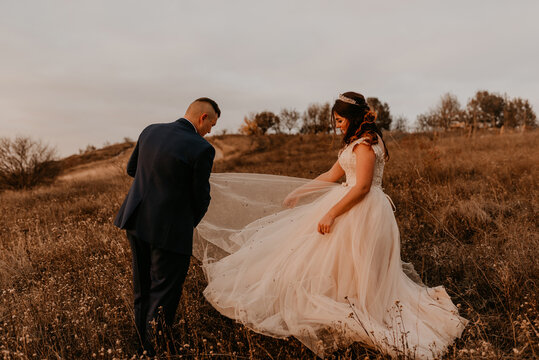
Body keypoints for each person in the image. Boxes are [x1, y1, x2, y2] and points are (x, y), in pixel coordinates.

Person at [195, 92, 468, 359]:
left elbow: (361, 187)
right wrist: (299, 192)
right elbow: (331, 174)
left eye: (339, 120)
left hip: (364, 209)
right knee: (334, 261)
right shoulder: (354, 144)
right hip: (348, 201)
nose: (337, 126)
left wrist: (331, 214)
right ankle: (345, 302)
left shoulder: (366, 144)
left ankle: (362, 311)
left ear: (352, 118)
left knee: (356, 264)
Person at [114, 97, 220, 355]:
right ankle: (156, 351)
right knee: (164, 295)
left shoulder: (150, 130)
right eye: (212, 125)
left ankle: (142, 346)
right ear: (202, 117)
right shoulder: (202, 148)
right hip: (171, 231)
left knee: (143, 290)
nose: (210, 131)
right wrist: (185, 223)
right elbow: (201, 197)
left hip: (136, 221)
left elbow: (132, 170)